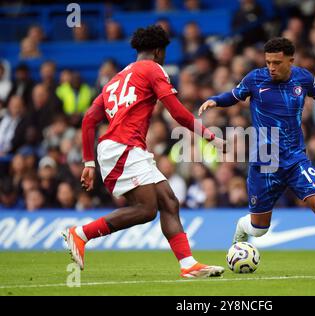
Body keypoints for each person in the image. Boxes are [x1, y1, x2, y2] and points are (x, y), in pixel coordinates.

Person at [198, 37, 315, 276]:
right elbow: (234, 95)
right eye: (268, 62)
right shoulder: (255, 78)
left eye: (276, 62)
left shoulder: (303, 78)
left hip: (295, 158)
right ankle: (242, 226)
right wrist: (215, 100)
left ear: (290, 61)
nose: (271, 67)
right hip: (265, 161)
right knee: (259, 229)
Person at [63, 25, 224, 278]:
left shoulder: (115, 80)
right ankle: (81, 233)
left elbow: (88, 120)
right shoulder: (153, 68)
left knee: (169, 201)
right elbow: (178, 112)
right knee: (146, 209)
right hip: (123, 146)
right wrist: (210, 136)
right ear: (159, 51)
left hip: (123, 147)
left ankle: (188, 265)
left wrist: (88, 162)